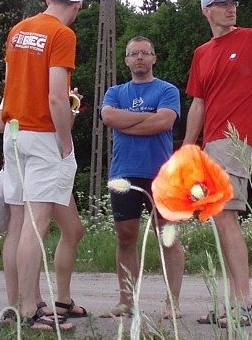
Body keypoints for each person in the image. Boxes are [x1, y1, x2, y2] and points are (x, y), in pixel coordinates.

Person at [183, 0, 252, 328]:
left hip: (235, 141)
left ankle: (243, 304)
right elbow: (198, 104)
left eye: (233, 3)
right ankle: (232, 303)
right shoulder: (201, 53)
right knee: (219, 220)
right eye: (223, 4)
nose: (231, 9)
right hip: (210, 145)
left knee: (226, 217)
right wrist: (188, 146)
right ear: (206, 11)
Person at [0, 0, 86, 332]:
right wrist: (64, 141)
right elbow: (55, 96)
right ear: (77, 7)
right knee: (37, 223)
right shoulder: (62, 34)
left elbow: (10, 83)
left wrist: (4, 118)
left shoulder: (18, 30)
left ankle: (15, 305)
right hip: (42, 133)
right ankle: (30, 310)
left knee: (18, 222)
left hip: (13, 131)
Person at [100, 36, 185, 319]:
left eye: (145, 53)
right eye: (134, 53)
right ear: (126, 60)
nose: (139, 57)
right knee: (126, 238)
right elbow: (108, 118)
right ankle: (126, 302)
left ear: (153, 58)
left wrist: (126, 123)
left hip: (160, 174)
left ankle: (172, 304)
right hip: (124, 172)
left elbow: (164, 121)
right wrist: (147, 120)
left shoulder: (167, 90)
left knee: (168, 237)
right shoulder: (115, 92)